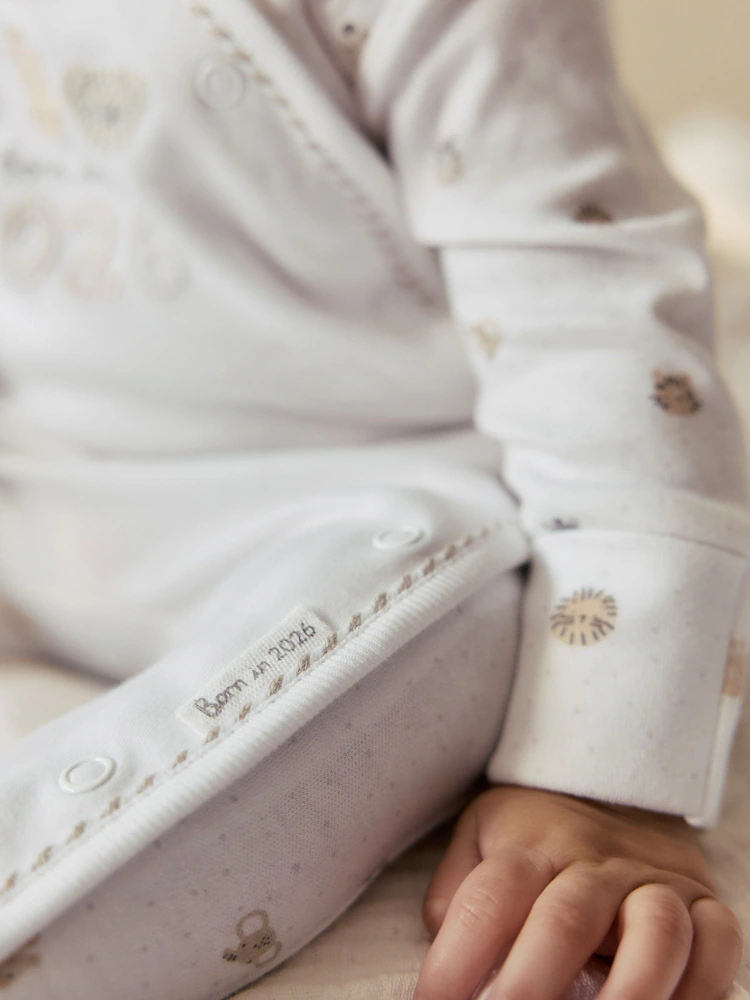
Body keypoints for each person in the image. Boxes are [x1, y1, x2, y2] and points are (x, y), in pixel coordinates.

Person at [0, 1, 746, 998]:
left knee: (446, 622)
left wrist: (608, 774)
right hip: (43, 492)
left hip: (361, 504)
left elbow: (590, 319)